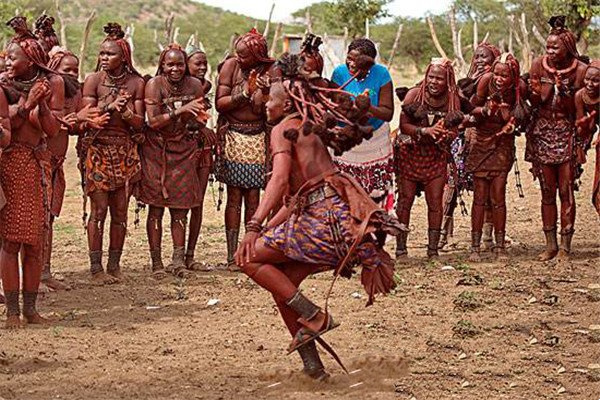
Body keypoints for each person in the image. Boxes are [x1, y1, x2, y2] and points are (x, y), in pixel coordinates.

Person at [235, 53, 400, 380]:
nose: (265, 105)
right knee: (283, 284)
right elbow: (299, 195)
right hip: (342, 227)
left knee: (249, 259)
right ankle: (313, 366)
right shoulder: (306, 128)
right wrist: (268, 227)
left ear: (286, 105)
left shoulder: (284, 129)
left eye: (271, 99)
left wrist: (253, 228)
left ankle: (314, 314)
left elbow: (279, 180)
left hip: (322, 224)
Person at [0, 17, 64, 328]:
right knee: (12, 240)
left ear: (32, 60)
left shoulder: (49, 85)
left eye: (12, 57)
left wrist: (44, 105)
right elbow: (7, 128)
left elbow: (50, 130)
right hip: (12, 165)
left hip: (39, 165)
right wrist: (28, 104)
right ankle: (12, 312)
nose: (6, 60)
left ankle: (31, 310)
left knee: (36, 241)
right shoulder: (2, 87)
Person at [80, 23, 145, 283]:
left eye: (110, 54)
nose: (103, 58)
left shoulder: (137, 82)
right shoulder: (93, 81)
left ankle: (114, 265)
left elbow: (140, 123)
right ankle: (96, 269)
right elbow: (88, 117)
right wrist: (110, 105)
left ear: (124, 57)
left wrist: (126, 112)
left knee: (120, 211)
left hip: (125, 151)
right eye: (102, 54)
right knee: (98, 211)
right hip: (98, 149)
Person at [139, 44, 207, 277]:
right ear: (162, 65)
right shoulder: (154, 85)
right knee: (156, 208)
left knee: (181, 209)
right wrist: (180, 110)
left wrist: (197, 122)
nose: (175, 69)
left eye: (179, 64)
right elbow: (153, 121)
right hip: (156, 151)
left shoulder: (195, 85)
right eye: (170, 64)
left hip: (183, 150)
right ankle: (156, 263)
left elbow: (199, 118)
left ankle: (177, 261)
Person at [215, 28, 280, 269]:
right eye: (238, 54)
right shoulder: (231, 67)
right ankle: (232, 254)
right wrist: (244, 93)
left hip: (258, 138)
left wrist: (261, 93)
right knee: (234, 196)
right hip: (233, 136)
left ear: (257, 56)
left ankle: (249, 252)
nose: (238, 58)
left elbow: (265, 112)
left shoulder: (272, 71)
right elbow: (220, 104)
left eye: (243, 56)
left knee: (253, 196)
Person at [526, 16, 587, 261]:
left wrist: (564, 93)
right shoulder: (538, 65)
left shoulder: (581, 71)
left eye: (555, 47)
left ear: (568, 47)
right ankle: (550, 243)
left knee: (566, 190)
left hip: (568, 133)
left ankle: (566, 245)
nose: (550, 52)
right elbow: (534, 100)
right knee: (547, 190)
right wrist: (546, 89)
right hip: (542, 132)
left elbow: (581, 107)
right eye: (547, 47)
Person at [395, 59, 462, 260]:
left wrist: (445, 135)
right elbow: (403, 125)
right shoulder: (414, 95)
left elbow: (455, 128)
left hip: (436, 156)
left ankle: (432, 251)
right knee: (405, 201)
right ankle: (401, 249)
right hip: (411, 154)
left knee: (435, 202)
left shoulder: (452, 99)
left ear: (448, 80)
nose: (434, 82)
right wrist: (425, 130)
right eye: (431, 77)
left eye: (439, 78)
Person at [465, 53, 527, 261]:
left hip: (502, 144)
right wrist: (485, 110)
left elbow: (525, 114)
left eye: (504, 76)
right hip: (481, 140)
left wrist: (513, 123)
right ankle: (475, 247)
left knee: (498, 196)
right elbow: (469, 108)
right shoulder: (485, 81)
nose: (499, 79)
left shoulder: (519, 88)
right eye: (496, 74)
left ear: (513, 77)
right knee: (480, 197)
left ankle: (500, 246)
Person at [440, 42, 501, 250]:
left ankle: (487, 238)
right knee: (451, 186)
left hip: (491, 142)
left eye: (485, 57)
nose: (481, 61)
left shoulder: (498, 82)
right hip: (463, 142)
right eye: (477, 57)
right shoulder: (464, 82)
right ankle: (441, 235)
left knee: (489, 191)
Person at [331, 38, 394, 209]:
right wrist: (352, 108)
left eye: (357, 61)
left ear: (370, 63)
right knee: (344, 195)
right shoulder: (339, 73)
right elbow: (335, 107)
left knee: (375, 195)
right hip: (347, 142)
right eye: (349, 58)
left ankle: (375, 227)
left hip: (375, 141)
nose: (351, 64)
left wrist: (368, 107)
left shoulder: (381, 74)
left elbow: (388, 113)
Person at [184, 46, 217, 270]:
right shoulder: (174, 86)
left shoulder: (206, 86)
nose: (203, 68)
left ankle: (190, 255)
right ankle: (175, 256)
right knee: (180, 204)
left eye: (205, 64)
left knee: (197, 202)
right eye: (198, 63)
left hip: (202, 149)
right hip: (181, 149)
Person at [575, 61, 600, 213]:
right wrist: (586, 125)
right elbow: (582, 128)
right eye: (587, 79)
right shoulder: (580, 96)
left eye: (596, 81)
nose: (590, 84)